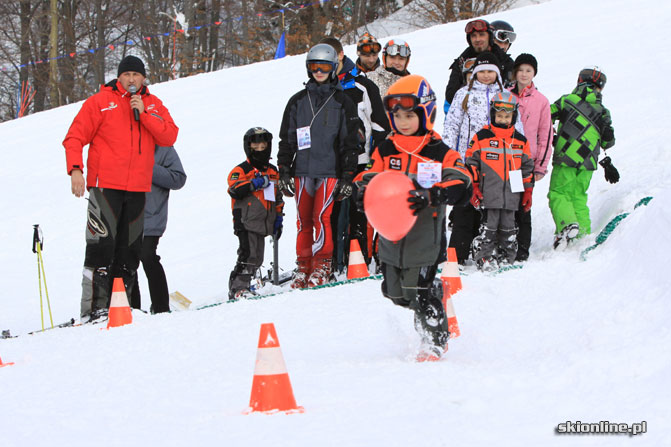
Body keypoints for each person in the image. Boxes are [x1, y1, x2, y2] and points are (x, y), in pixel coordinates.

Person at [355, 75, 472, 361]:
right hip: (391, 238)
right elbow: (368, 176)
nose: (403, 121)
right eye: (397, 116)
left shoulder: (440, 152)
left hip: (425, 238)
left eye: (409, 115)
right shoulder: (386, 149)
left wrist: (432, 195)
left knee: (421, 293)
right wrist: (363, 191)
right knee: (395, 292)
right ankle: (429, 298)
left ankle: (433, 341)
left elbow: (462, 182)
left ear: (426, 113)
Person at [63, 55, 179, 323]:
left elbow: (169, 135)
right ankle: (94, 309)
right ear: (118, 77)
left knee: (130, 251)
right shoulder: (100, 102)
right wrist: (76, 170)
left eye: (135, 75)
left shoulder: (152, 104)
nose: (130, 80)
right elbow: (74, 137)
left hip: (138, 188)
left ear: (143, 78)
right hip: (105, 186)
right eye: (125, 75)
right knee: (101, 247)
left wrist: (146, 114)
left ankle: (121, 306)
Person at [277, 44, 359, 288]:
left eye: (324, 67)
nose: (319, 71)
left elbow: (350, 142)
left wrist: (347, 177)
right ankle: (304, 264)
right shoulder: (298, 101)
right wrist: (284, 170)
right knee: (303, 221)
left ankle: (322, 263)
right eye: (314, 67)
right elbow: (287, 139)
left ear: (333, 68)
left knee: (322, 217)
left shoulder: (342, 101)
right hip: (302, 170)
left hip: (329, 171)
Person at [443, 52, 524, 265]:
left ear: (497, 74)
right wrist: (451, 156)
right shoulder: (464, 94)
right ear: (474, 73)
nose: (486, 75)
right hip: (467, 160)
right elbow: (452, 124)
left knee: (496, 209)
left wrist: (521, 157)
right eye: (482, 71)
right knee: (465, 207)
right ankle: (457, 255)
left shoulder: (505, 95)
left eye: (491, 71)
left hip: (499, 164)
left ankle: (492, 251)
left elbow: (518, 129)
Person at [318, 37, 390, 272]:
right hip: (330, 165)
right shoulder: (317, 87)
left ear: (339, 55)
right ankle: (330, 265)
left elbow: (380, 126)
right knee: (328, 217)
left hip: (361, 163)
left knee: (359, 216)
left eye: (330, 55)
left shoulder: (362, 86)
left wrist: (374, 160)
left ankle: (358, 263)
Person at [548, 66, 616, 249]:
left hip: (566, 156)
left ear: (579, 81)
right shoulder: (603, 111)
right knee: (578, 196)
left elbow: (546, 115)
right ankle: (583, 234)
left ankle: (567, 225)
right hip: (589, 161)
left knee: (559, 193)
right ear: (600, 88)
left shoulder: (567, 101)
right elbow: (608, 142)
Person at [466, 92, 534, 271]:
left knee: (508, 228)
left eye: (507, 116)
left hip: (512, 196)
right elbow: (471, 162)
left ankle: (507, 257)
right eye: (500, 115)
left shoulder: (520, 141)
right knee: (488, 228)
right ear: (493, 114)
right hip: (488, 195)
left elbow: (527, 168)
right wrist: (473, 186)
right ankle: (485, 257)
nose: (503, 119)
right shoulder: (481, 137)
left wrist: (527, 191)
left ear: (513, 116)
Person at [227, 128, 284, 299]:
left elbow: (278, 196)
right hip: (246, 220)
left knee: (258, 257)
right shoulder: (241, 170)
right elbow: (234, 189)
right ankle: (237, 287)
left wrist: (279, 217)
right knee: (247, 254)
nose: (259, 148)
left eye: (263, 144)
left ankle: (246, 286)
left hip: (264, 221)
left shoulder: (273, 171)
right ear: (248, 146)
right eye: (255, 144)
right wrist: (254, 183)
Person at [129, 145, 187, 313]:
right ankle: (132, 310)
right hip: (127, 215)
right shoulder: (125, 140)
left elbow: (179, 179)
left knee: (147, 256)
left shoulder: (164, 148)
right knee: (128, 261)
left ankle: (161, 308)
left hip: (152, 215)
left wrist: (148, 168)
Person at [509, 53, 552, 261]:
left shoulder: (541, 101)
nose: (524, 74)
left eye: (529, 70)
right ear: (515, 72)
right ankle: (504, 244)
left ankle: (521, 248)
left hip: (524, 163)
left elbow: (546, 134)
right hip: (503, 161)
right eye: (521, 70)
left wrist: (540, 165)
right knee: (503, 203)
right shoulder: (505, 96)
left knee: (522, 204)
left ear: (534, 73)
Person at [443, 19, 514, 114]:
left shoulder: (505, 62)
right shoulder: (462, 62)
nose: (477, 39)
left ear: (489, 36)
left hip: (498, 117)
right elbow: (450, 95)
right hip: (468, 117)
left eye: (481, 35)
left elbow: (515, 92)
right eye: (473, 36)